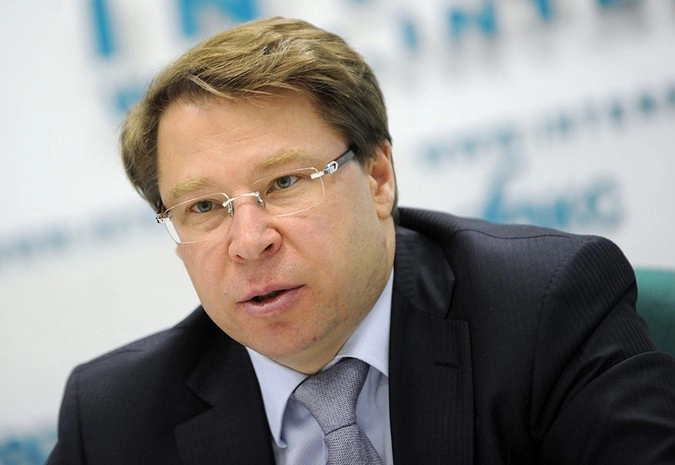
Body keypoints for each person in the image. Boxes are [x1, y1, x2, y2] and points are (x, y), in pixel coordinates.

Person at [47, 17, 675, 465]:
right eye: (204, 207)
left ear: (377, 178)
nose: (249, 241)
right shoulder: (111, 420)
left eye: (285, 182)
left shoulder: (542, 309)